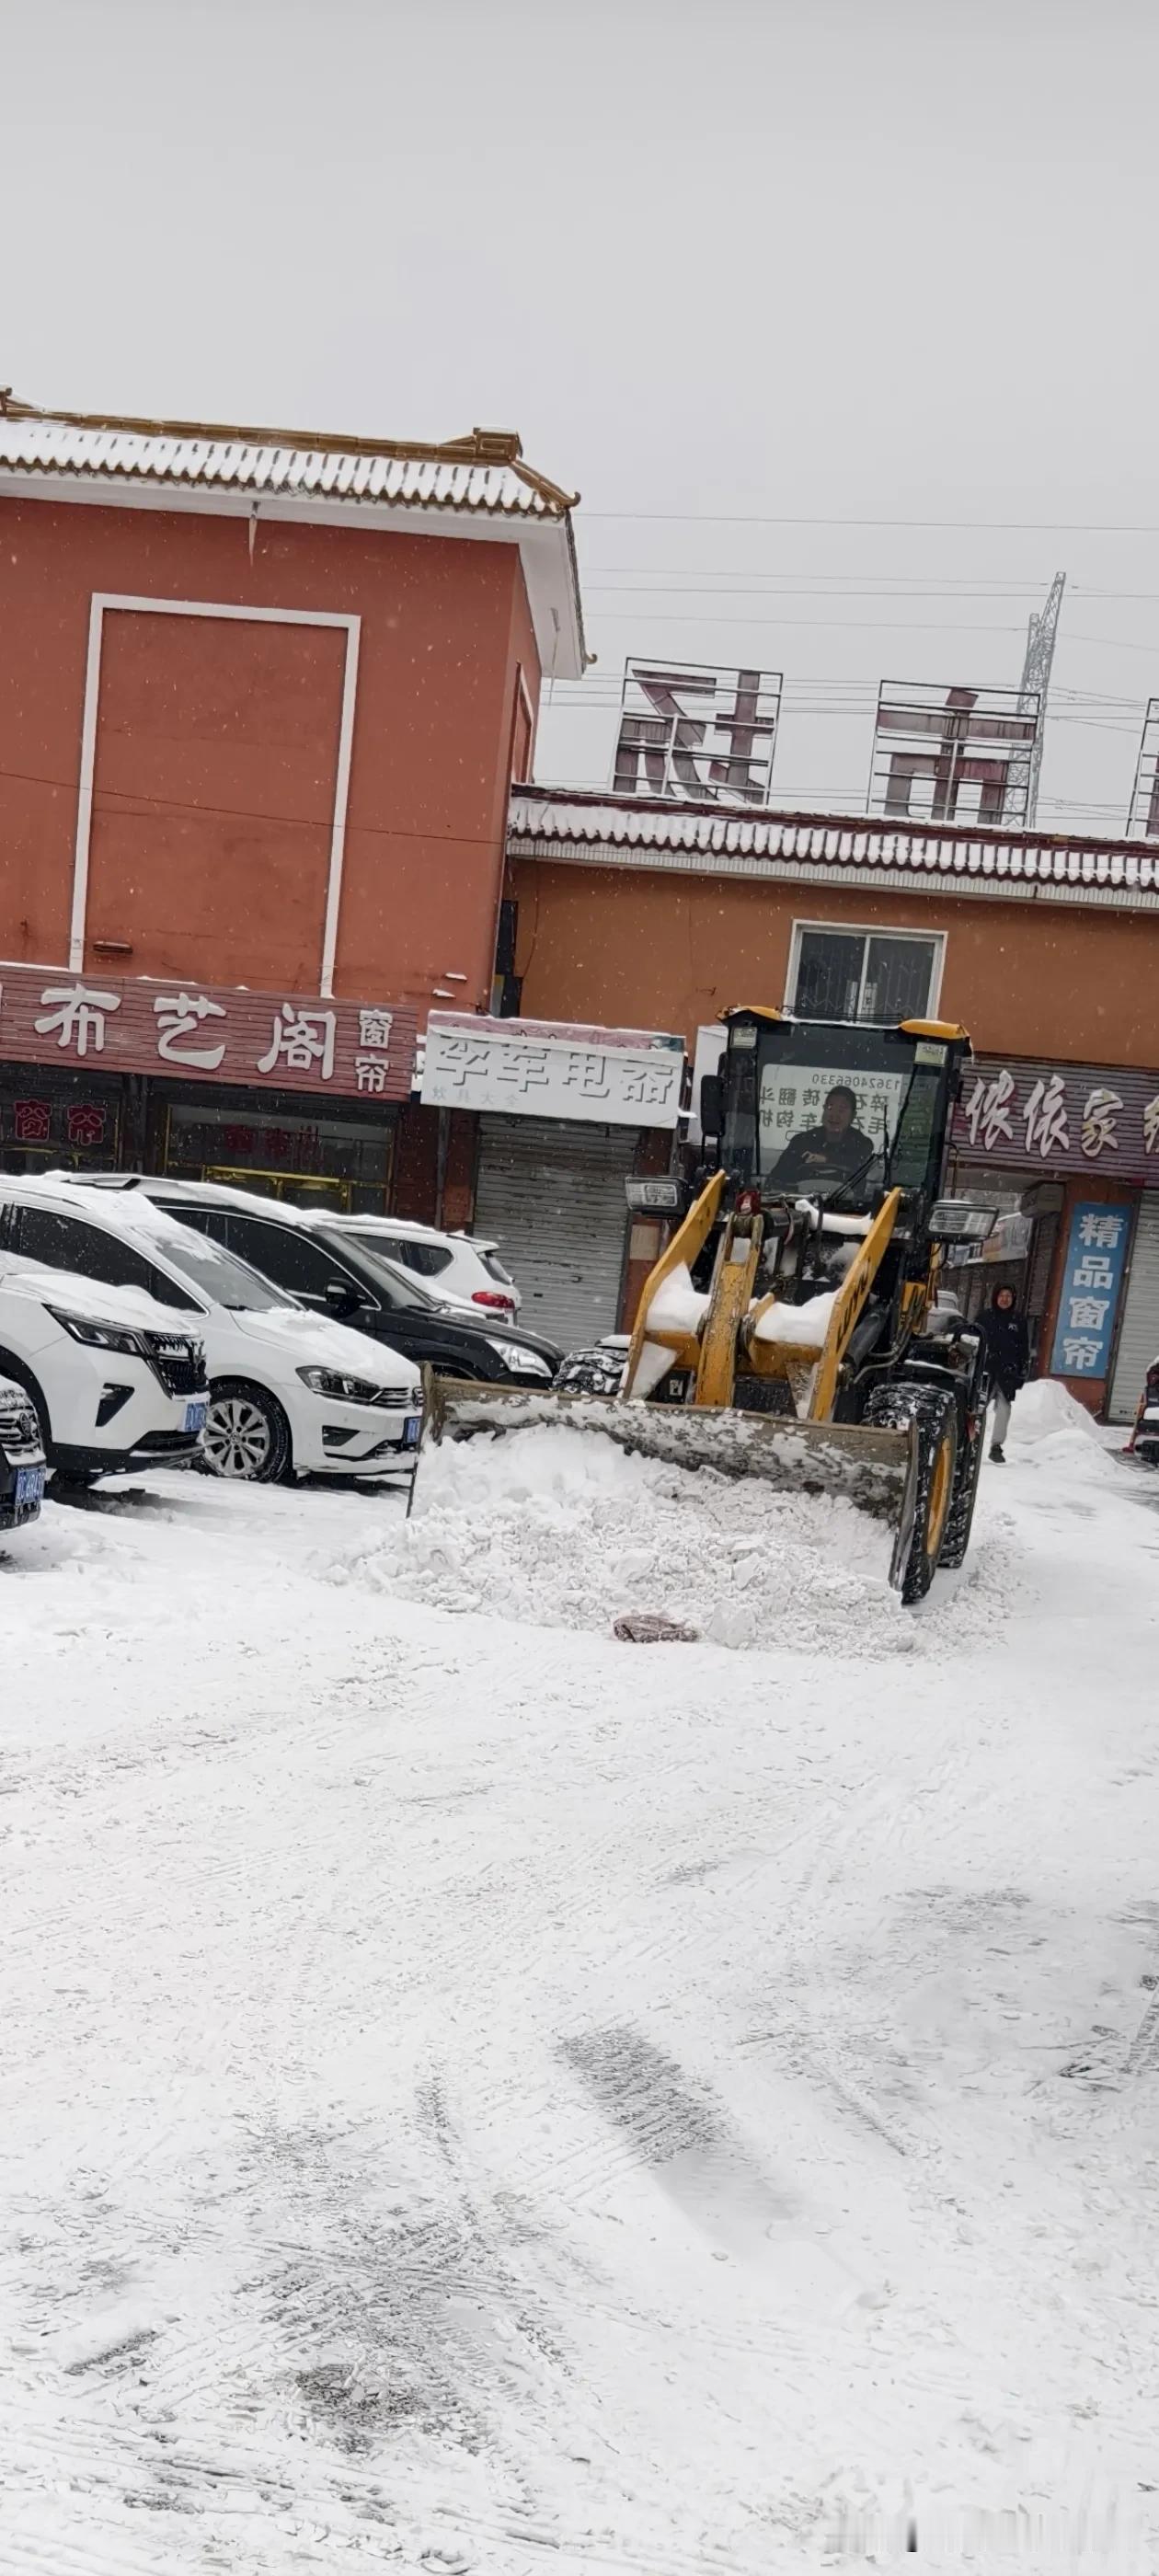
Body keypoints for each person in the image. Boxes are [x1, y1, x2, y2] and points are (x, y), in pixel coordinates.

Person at [774, 1084, 876, 1189]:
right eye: (830, 1107)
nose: (834, 1115)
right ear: (823, 1109)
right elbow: (776, 1180)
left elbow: (857, 1164)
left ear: (853, 1115)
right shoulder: (802, 1141)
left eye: (841, 1110)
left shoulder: (862, 1144)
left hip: (848, 1203)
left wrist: (826, 1159)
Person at [981, 1282, 1030, 1461]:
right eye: (1002, 1295)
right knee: (977, 1407)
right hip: (985, 1370)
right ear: (995, 1297)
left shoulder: (1018, 1320)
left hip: (1007, 1372)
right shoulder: (985, 1317)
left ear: (1013, 1299)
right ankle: (970, 1440)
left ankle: (996, 1446)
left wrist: (1023, 1369)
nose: (1005, 1299)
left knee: (1004, 1409)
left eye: (1008, 1296)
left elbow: (1024, 1347)